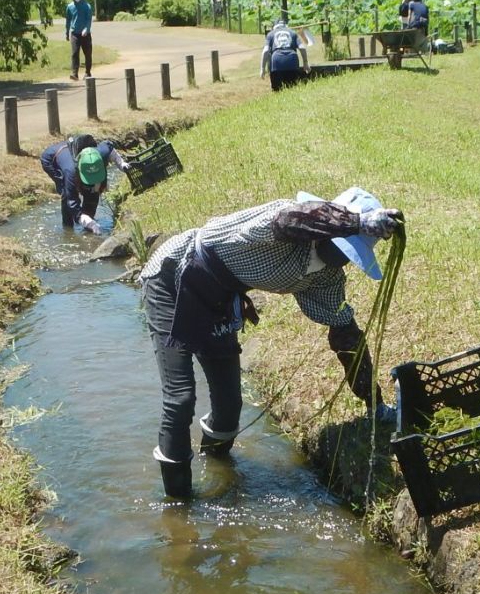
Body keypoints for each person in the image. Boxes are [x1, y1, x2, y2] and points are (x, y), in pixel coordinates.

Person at [138, 187, 405, 498]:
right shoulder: (285, 226)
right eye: (343, 244)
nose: (342, 258)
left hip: (219, 298)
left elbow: (345, 335)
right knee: (181, 397)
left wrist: (374, 402)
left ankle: (218, 468)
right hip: (173, 279)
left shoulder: (326, 277)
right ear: (331, 229)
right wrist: (356, 222)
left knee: (229, 406)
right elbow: (293, 219)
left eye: (350, 254)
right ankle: (179, 505)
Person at [40, 133, 128, 234]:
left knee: (93, 191)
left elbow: (110, 148)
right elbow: (72, 202)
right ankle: (68, 228)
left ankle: (88, 223)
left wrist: (122, 164)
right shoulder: (71, 172)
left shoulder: (100, 154)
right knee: (67, 194)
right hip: (51, 160)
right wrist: (83, 219)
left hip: (77, 155)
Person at [260, 13, 308, 90]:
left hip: (277, 62)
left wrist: (262, 69)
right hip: (292, 61)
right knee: (292, 88)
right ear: (285, 25)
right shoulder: (293, 33)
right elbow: (302, 47)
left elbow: (266, 51)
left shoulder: (270, 34)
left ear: (274, 26)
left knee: (277, 90)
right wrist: (305, 63)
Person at [65, 0, 93, 80]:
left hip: (85, 34)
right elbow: (68, 20)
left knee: (87, 53)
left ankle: (87, 72)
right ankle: (74, 73)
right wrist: (66, 32)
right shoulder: (70, 6)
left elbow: (89, 19)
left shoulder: (87, 6)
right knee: (75, 53)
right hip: (74, 33)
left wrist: (87, 29)